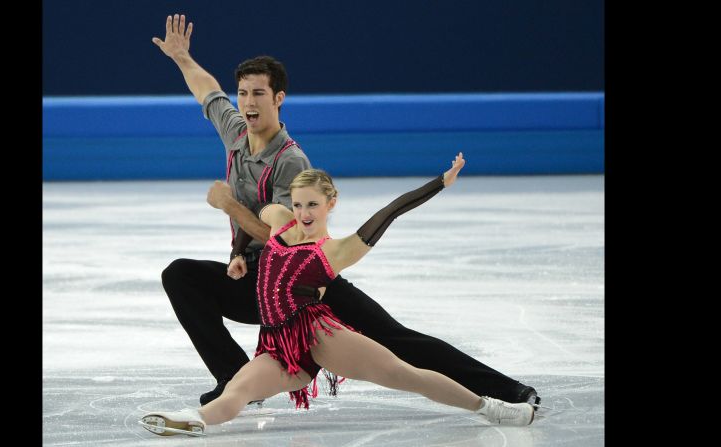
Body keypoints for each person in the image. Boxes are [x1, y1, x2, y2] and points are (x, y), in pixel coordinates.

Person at [151, 13, 539, 410]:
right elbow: (207, 91)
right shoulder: (235, 132)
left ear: (278, 99)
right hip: (257, 281)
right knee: (182, 276)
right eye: (243, 93)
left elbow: (286, 238)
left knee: (396, 340)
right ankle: (235, 380)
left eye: (258, 94)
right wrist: (182, 58)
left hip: (303, 281)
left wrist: (229, 204)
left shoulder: (290, 161)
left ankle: (509, 391)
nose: (247, 102)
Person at [140, 155, 536, 437]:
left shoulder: (334, 250)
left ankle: (491, 408)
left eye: (313, 204)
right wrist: (238, 254)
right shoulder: (280, 223)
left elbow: (390, 212)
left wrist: (439, 183)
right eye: (298, 204)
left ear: (331, 204)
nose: (304, 212)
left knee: (404, 374)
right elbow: (252, 211)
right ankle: (190, 418)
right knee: (239, 389)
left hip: (320, 335)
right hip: (277, 344)